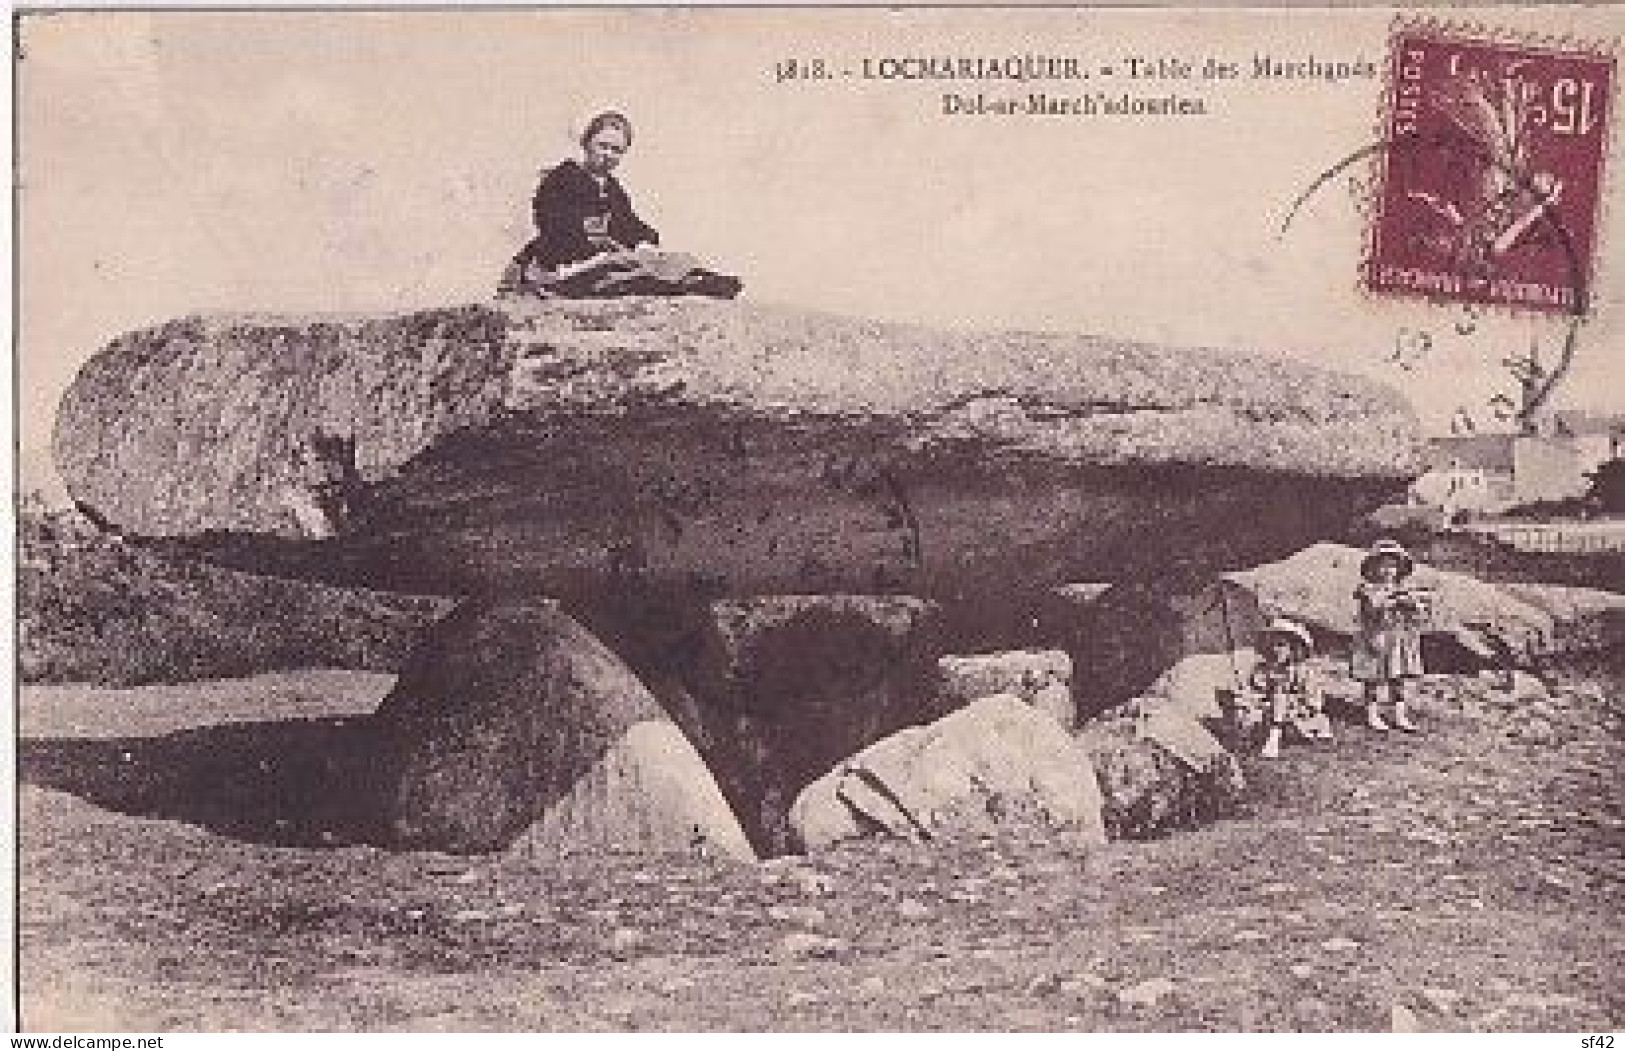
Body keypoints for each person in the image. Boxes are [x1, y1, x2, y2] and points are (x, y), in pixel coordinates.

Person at [504, 111, 741, 299]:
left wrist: (643, 241)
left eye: (616, 150)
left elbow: (628, 223)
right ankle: (690, 283)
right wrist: (595, 252)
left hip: (601, 258)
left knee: (664, 259)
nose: (608, 155)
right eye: (603, 146)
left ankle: (697, 279)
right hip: (561, 264)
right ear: (587, 143)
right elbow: (553, 227)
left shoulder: (613, 189)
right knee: (629, 270)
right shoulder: (561, 179)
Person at [1350, 539, 1432, 733]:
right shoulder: (1367, 589)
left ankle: (1399, 714)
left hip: (1397, 639)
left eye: (1392, 566)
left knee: (1398, 677)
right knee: (1374, 678)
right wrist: (1392, 602)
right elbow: (1373, 608)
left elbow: (1418, 614)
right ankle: (1372, 713)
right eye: (1383, 565)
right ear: (1374, 567)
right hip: (1375, 636)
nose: (1388, 570)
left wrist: (1413, 605)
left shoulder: (1402, 590)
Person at [1236, 617, 1332, 759]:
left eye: (1281, 645)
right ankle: (1263, 733)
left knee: (1281, 694)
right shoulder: (1263, 669)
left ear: (1292, 648)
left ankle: (1274, 737)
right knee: (1246, 712)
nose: (1276, 650)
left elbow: (1314, 702)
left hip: (1298, 717)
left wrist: (1291, 703)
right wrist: (1253, 702)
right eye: (1273, 645)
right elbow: (1254, 692)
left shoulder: (1303, 671)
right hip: (1268, 712)